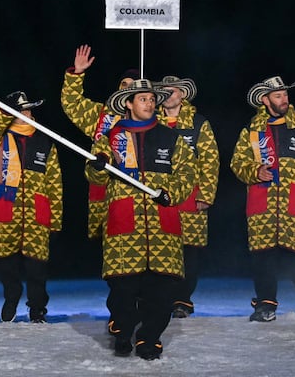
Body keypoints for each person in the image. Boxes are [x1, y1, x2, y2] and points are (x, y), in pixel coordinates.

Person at [86, 78, 195, 360]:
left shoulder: (171, 138)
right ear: (129, 103)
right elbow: (93, 172)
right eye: (143, 99)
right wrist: (98, 166)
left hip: (162, 226)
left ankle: (150, 339)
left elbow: (187, 173)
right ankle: (123, 330)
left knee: (162, 291)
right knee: (122, 289)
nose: (150, 103)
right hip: (125, 225)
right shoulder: (110, 137)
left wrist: (171, 194)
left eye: (151, 99)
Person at [230, 75, 295, 322]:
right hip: (263, 202)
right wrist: (255, 171)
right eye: (278, 95)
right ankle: (265, 305)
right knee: (263, 258)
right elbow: (237, 162)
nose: (284, 99)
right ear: (265, 99)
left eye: (285, 95)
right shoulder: (252, 131)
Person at [0, 91, 63, 323]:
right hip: (5, 208)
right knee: (7, 263)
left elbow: (54, 183)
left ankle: (37, 308)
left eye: (27, 109)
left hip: (36, 212)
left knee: (38, 268)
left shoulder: (44, 140)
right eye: (20, 110)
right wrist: (5, 110)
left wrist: (55, 219)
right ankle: (12, 295)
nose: (25, 113)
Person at [154, 74, 219, 318]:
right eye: (164, 91)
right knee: (161, 249)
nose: (168, 95)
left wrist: (206, 194)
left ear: (182, 94)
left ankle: (182, 299)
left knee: (189, 252)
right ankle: (159, 298)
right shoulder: (151, 121)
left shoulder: (198, 123)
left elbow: (210, 161)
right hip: (160, 197)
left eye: (172, 90)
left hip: (190, 197)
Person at [60, 44, 139, 240]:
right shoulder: (102, 115)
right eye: (124, 84)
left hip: (140, 195)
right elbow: (72, 105)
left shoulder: (154, 119)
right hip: (104, 193)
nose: (127, 89)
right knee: (107, 247)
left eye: (133, 85)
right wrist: (77, 73)